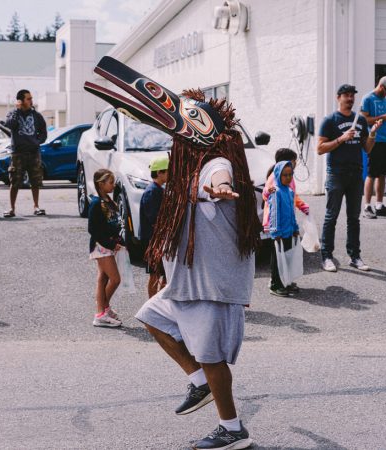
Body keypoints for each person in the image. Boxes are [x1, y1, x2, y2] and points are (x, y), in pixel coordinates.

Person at [85, 57, 260, 449]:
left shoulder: (214, 163)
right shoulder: (189, 170)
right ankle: (198, 382)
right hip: (187, 281)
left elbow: (221, 176)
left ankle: (232, 429)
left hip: (210, 285)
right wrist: (163, 263)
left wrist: (221, 188)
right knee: (150, 317)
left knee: (212, 357)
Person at [317, 84, 382, 272]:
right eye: (346, 95)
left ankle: (355, 256)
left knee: (354, 218)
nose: (350, 99)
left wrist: (372, 134)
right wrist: (341, 139)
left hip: (356, 175)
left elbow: (367, 148)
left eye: (352, 96)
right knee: (331, 216)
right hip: (336, 174)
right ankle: (327, 256)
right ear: (338, 97)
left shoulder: (360, 120)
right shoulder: (330, 120)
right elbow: (320, 149)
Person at [263, 148, 308, 296]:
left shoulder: (288, 191)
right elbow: (274, 213)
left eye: (290, 175)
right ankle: (276, 284)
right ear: (278, 175)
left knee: (287, 257)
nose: (288, 178)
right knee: (277, 259)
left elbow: (291, 212)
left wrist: (295, 228)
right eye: (285, 175)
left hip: (289, 230)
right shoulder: (275, 192)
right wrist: (275, 231)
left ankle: (286, 281)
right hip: (279, 231)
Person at [3, 89, 47, 217]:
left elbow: (43, 132)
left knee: (35, 181)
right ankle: (12, 208)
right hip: (18, 153)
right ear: (20, 101)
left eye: (31, 98)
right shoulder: (12, 113)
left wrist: (37, 142)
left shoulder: (37, 116)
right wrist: (17, 110)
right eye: (28, 99)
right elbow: (10, 125)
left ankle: (36, 206)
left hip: (34, 152)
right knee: (15, 181)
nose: (31, 101)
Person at [88, 169, 123, 327]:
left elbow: (112, 224)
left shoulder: (107, 200)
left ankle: (103, 311)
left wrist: (119, 239)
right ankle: (102, 311)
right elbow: (93, 229)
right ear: (100, 184)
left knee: (103, 279)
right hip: (101, 246)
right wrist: (110, 243)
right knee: (115, 279)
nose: (113, 185)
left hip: (106, 244)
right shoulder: (96, 203)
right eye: (110, 182)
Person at [361, 76, 386, 218]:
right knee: (372, 174)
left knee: (383, 174)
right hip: (374, 140)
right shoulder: (368, 99)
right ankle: (367, 207)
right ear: (381, 86)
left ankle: (379, 206)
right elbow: (364, 120)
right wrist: (383, 117)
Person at [139, 155, 168, 298]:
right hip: (152, 239)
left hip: (158, 239)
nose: (170, 174)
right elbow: (154, 218)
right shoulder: (152, 192)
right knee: (155, 273)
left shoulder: (159, 189)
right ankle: (153, 302)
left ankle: (161, 300)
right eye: (167, 171)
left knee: (164, 272)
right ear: (159, 173)